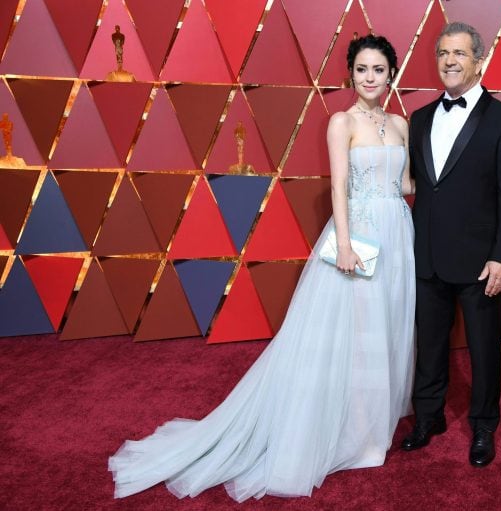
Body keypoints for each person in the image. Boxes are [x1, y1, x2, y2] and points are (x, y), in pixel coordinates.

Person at [109, 34, 415, 501]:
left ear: (391, 72)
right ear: (349, 75)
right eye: (361, 70)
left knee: (388, 329)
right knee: (354, 336)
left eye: (377, 69)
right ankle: (359, 433)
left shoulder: (400, 123)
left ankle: (378, 422)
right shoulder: (341, 121)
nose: (369, 77)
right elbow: (338, 189)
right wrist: (347, 245)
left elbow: (407, 181)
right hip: (360, 235)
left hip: (398, 233)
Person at [401, 22, 501, 467]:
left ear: (479, 60)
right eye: (442, 53)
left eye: (458, 53)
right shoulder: (418, 119)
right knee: (429, 344)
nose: (449, 61)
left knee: (484, 349)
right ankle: (428, 417)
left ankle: (484, 426)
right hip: (427, 254)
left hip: (481, 261)